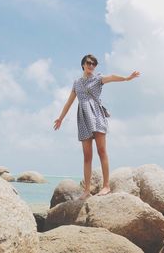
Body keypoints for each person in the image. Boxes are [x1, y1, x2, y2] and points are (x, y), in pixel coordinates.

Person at [53, 54, 140, 199]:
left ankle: (106, 186)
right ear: (83, 64)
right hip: (83, 118)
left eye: (94, 64)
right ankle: (86, 190)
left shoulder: (98, 79)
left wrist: (126, 78)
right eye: (89, 63)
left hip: (97, 116)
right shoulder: (77, 83)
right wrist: (60, 118)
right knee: (87, 156)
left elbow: (111, 77)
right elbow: (69, 102)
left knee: (101, 151)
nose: (91, 66)